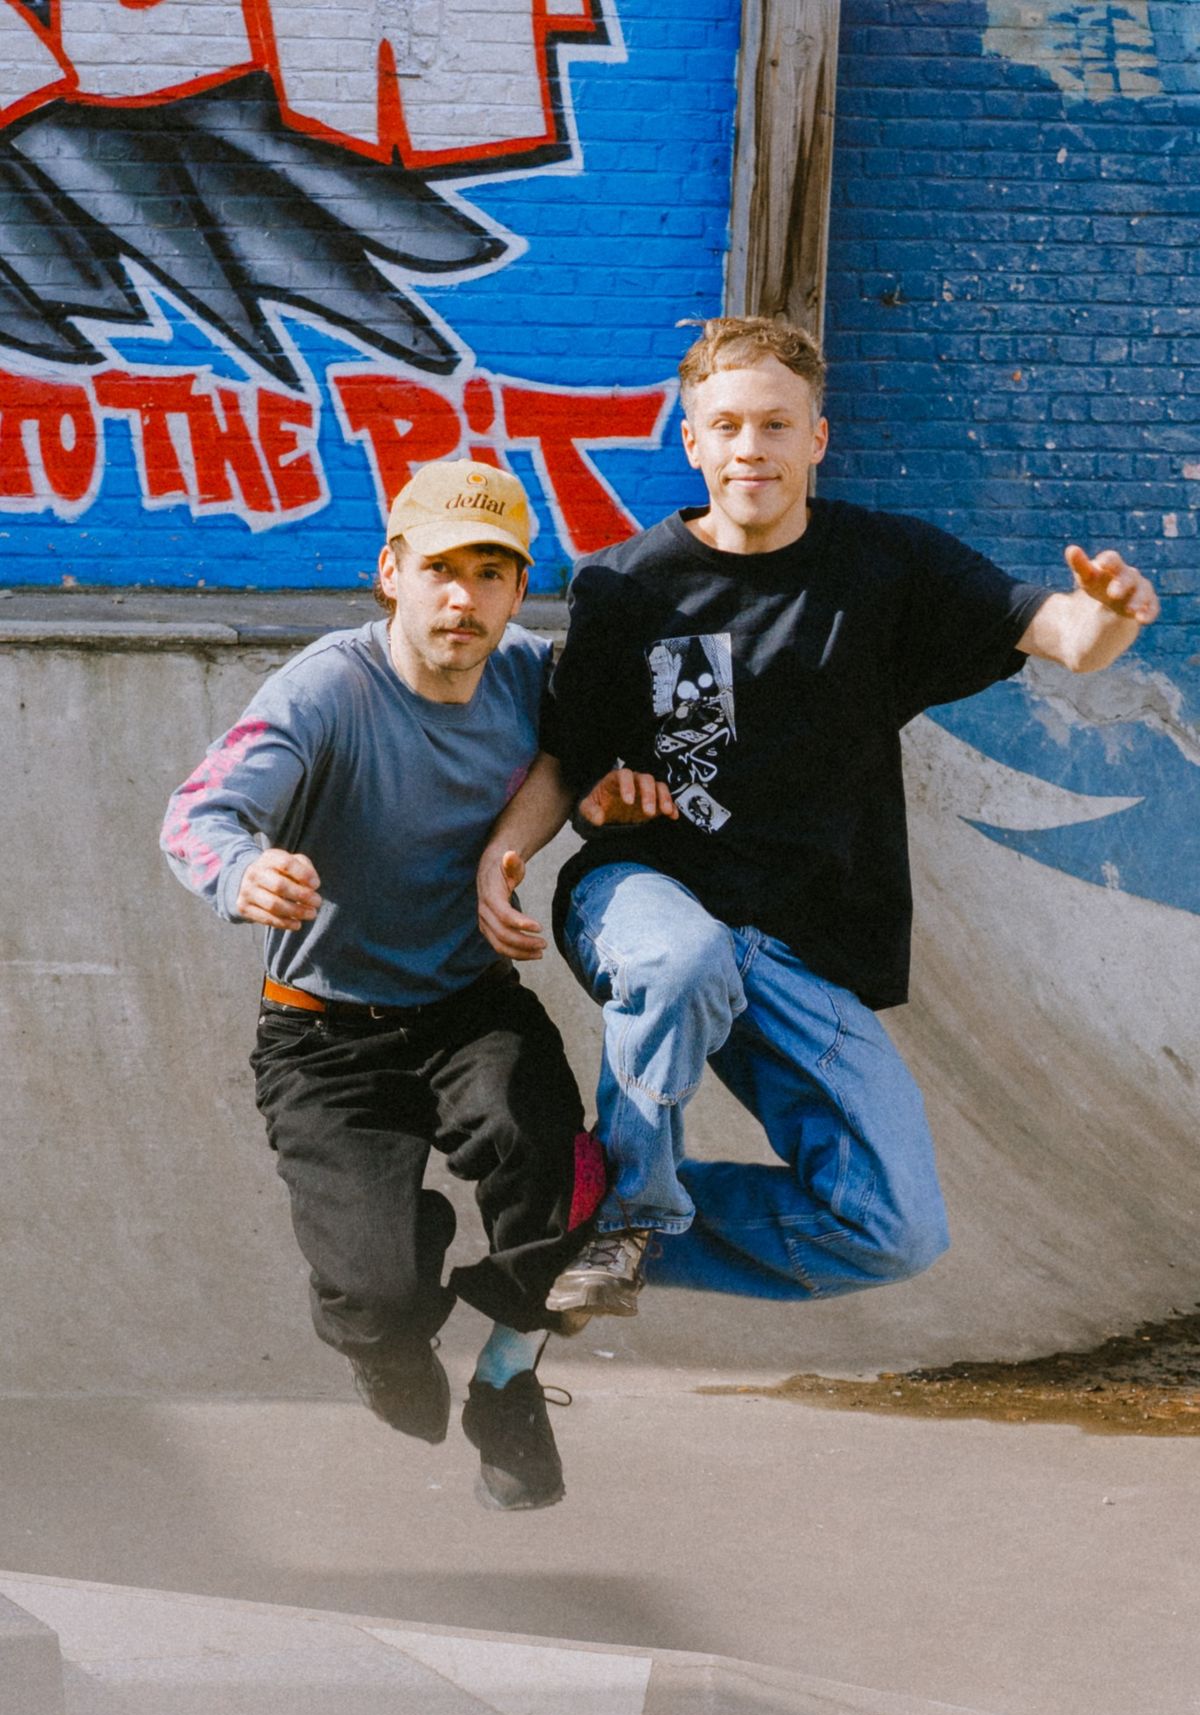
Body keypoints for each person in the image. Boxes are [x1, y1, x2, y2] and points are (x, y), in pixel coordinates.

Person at [476, 315, 1160, 1321]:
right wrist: (509, 851)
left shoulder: (887, 568)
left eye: (776, 425)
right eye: (730, 427)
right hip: (647, 897)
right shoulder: (629, 583)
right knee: (684, 959)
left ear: (817, 440)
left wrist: (1110, 615)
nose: (752, 448)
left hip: (801, 941)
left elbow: (1061, 633)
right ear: (693, 441)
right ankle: (629, 1206)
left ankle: (577, 1220)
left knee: (892, 1230)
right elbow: (569, 755)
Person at [161, 459, 657, 1510]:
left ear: (519, 592)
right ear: (390, 571)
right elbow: (195, 814)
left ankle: (508, 1379)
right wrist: (243, 870)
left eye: (490, 575)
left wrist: (609, 803)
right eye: (439, 570)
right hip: (323, 1035)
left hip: (469, 1011)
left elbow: (581, 768)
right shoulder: (328, 688)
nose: (462, 600)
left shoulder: (533, 677)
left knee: (564, 1177)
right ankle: (389, 1339)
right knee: (374, 1295)